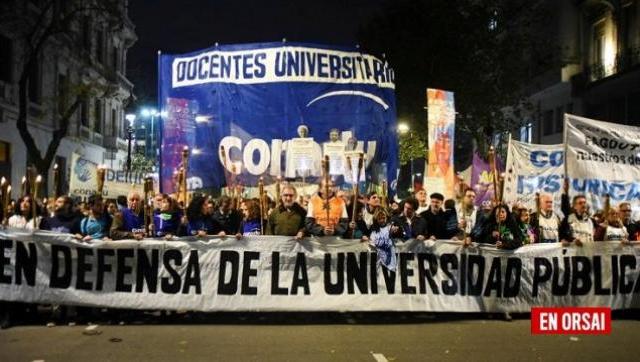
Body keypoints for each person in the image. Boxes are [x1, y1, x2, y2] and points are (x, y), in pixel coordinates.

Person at [560, 180, 595, 245]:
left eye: (584, 202)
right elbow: (562, 236)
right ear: (575, 206)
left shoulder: (591, 220)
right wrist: (573, 240)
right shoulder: (569, 219)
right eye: (580, 203)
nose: (583, 205)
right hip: (574, 253)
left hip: (589, 253)